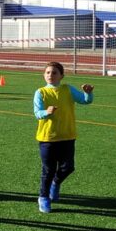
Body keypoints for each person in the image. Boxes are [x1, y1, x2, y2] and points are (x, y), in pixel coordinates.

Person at [33, 61, 94, 214]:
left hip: (67, 136)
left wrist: (88, 93)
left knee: (68, 167)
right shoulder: (40, 92)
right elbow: (37, 113)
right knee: (48, 169)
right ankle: (43, 197)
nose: (50, 75)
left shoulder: (68, 89)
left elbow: (85, 100)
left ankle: (56, 183)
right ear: (43, 75)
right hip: (48, 138)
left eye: (54, 73)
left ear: (62, 76)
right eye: (47, 72)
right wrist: (46, 112)